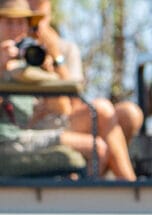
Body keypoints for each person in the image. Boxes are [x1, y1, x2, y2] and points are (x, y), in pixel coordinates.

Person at [0, 0, 108, 171]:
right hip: (7, 140)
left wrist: (52, 64)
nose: (15, 30)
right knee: (97, 147)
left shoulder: (31, 58)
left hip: (27, 133)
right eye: (9, 22)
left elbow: (67, 107)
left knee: (99, 139)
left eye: (21, 22)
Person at [27, 0, 143, 148]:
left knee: (129, 114)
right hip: (37, 122)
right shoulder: (13, 49)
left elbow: (74, 104)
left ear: (50, 16)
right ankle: (119, 171)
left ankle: (106, 170)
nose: (35, 27)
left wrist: (56, 59)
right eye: (30, 19)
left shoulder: (66, 49)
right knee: (101, 110)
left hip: (66, 118)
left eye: (40, 19)